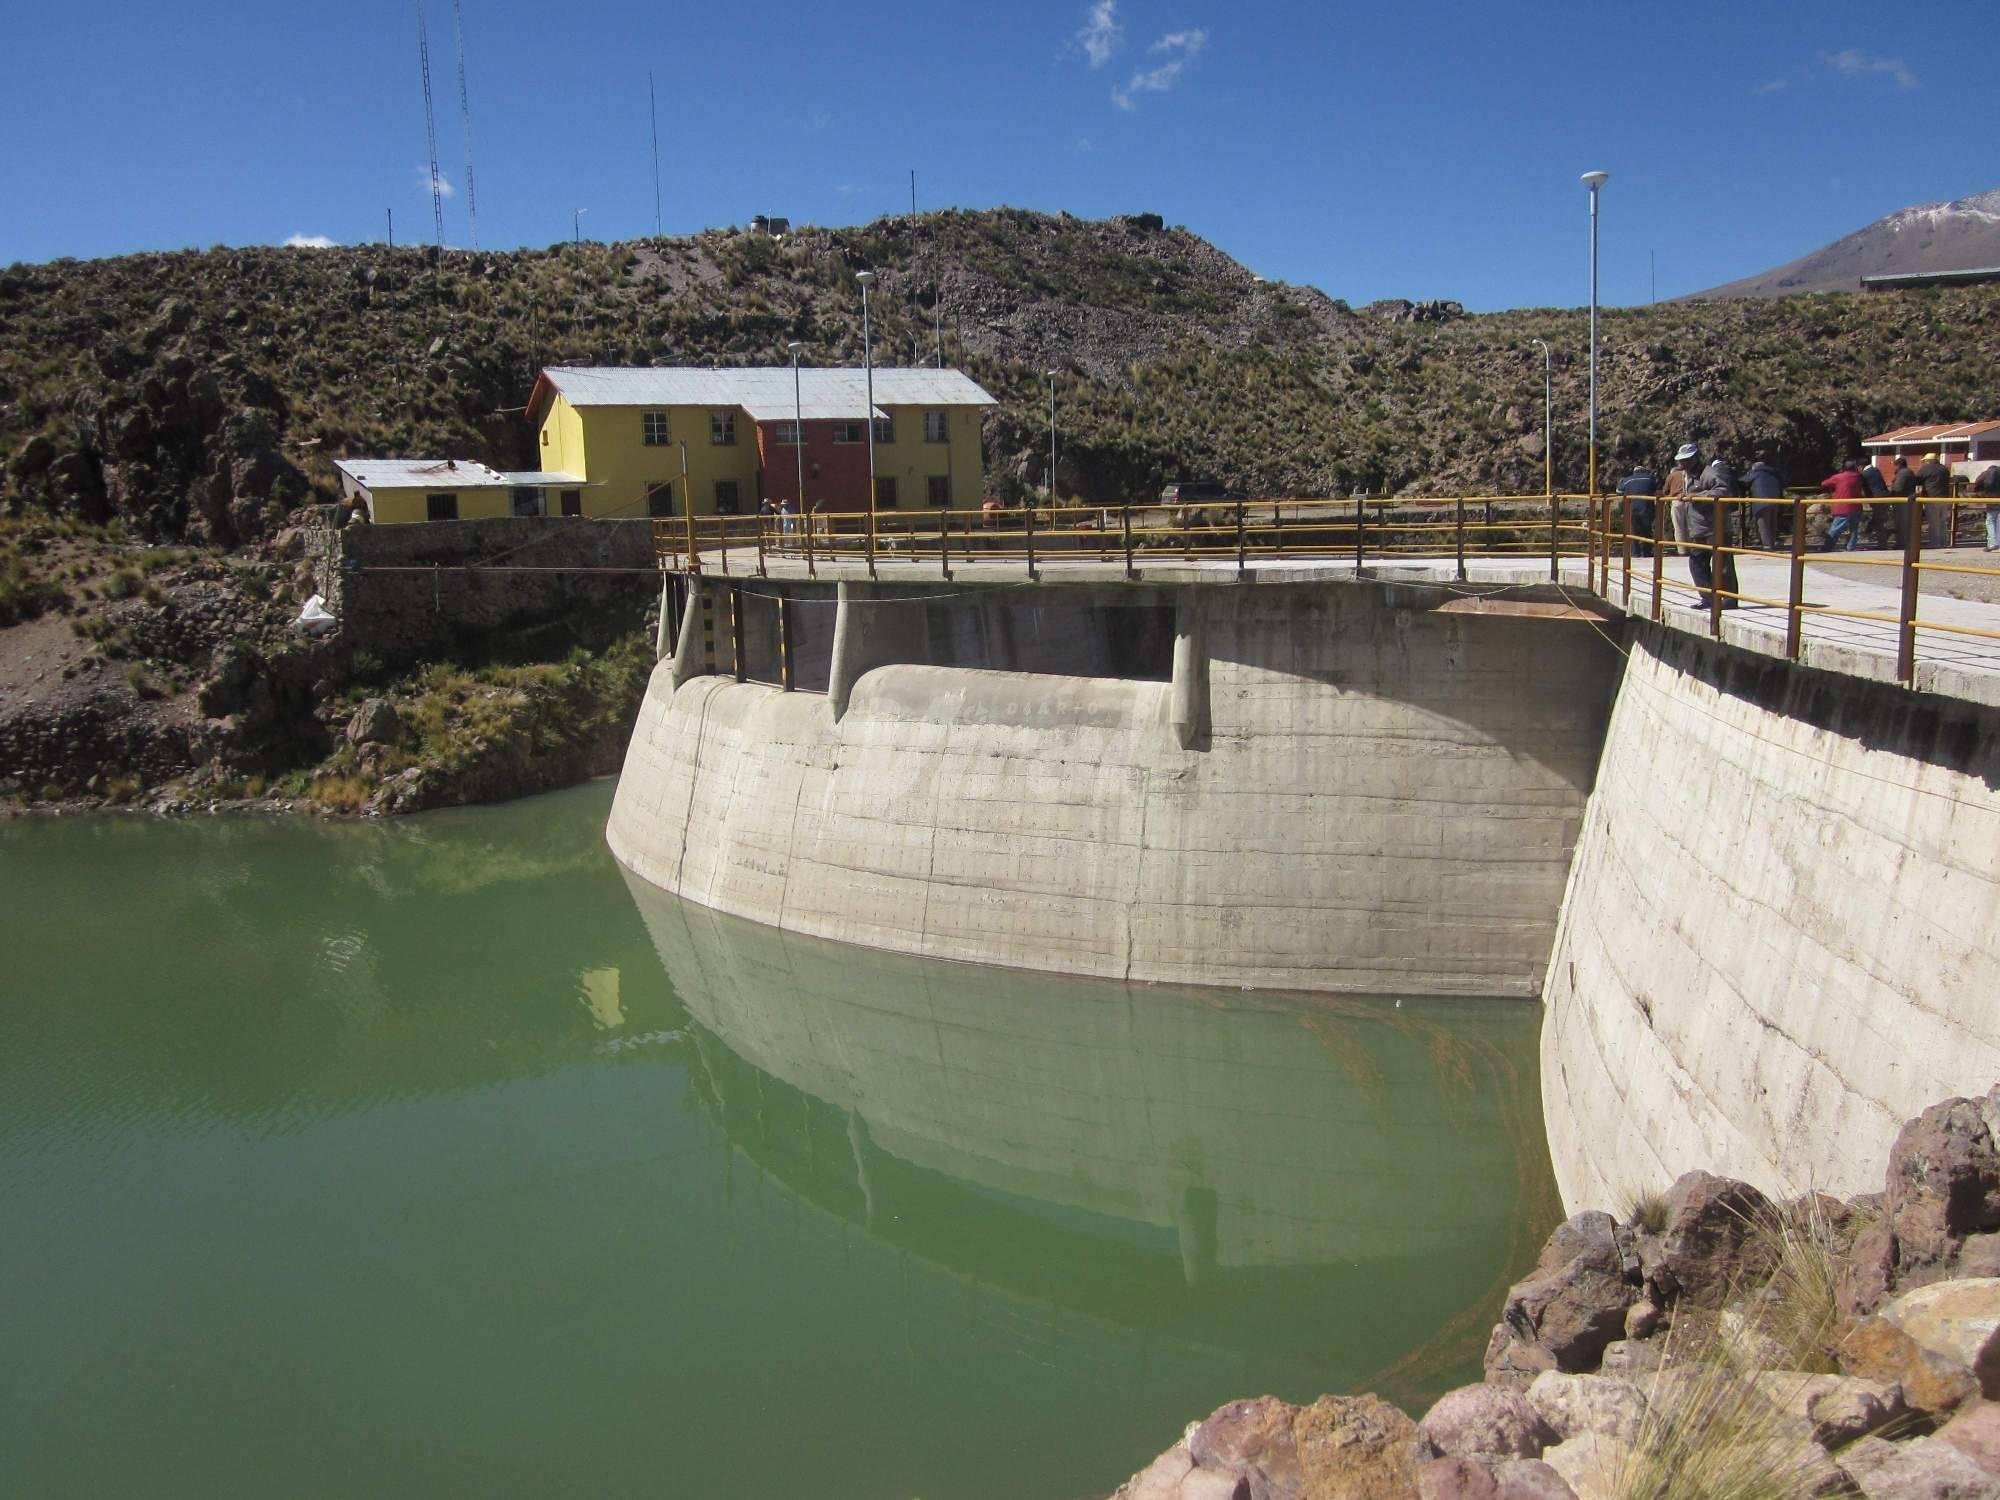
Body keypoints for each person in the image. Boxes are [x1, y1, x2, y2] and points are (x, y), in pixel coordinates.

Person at [1683, 448, 1739, 609]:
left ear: (1695, 459)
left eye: (1687, 460)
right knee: (1697, 563)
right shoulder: (1687, 475)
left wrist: (1698, 496)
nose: (1683, 464)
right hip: (1699, 527)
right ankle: (1709, 598)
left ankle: (1728, 600)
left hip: (1716, 526)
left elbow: (1723, 491)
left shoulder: (1709, 473)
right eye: (1681, 461)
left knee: (1723, 565)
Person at [1818, 462, 1866, 552]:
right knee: (1854, 528)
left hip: (1842, 506)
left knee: (1835, 528)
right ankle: (1851, 546)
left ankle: (1828, 547)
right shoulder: (1859, 477)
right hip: (1856, 506)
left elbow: (1824, 483)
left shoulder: (1838, 477)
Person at [1743, 454, 1786, 552]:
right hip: (1776, 501)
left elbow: (1743, 481)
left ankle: (1767, 546)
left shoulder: (1756, 473)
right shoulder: (1773, 473)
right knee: (1772, 522)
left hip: (1761, 502)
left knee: (1763, 524)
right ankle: (1772, 543)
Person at [1616, 462, 1659, 557]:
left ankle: (1635, 553)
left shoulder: (1627, 480)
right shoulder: (1650, 478)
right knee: (1647, 530)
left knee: (1633, 531)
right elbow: (1655, 489)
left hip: (1632, 508)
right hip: (1647, 507)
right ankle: (1647, 552)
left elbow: (1618, 491)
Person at [1665, 442, 1701, 554]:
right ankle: (1693, 547)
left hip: (1677, 500)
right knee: (1691, 525)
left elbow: (1665, 490)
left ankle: (1682, 550)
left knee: (1679, 527)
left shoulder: (1672, 475)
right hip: (1690, 500)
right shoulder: (1689, 474)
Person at [1916, 452, 1953, 546]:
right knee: (1943, 521)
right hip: (1945, 498)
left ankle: (1935, 543)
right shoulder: (1944, 469)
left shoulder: (1926, 469)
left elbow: (1917, 479)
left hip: (1932, 497)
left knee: (1934, 521)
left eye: (1925, 461)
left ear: (1928, 460)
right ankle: (1944, 542)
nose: (1924, 463)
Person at [1858, 457, 1892, 546]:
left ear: (1861, 466)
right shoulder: (1875, 470)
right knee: (1879, 520)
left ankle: (1883, 543)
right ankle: (1882, 539)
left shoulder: (1866, 474)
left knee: (1878, 522)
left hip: (1877, 499)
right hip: (1884, 498)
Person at [1889, 456, 1919, 551]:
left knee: (1901, 523)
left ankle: (1902, 543)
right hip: (1907, 499)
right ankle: (1904, 542)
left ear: (1898, 465)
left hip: (1902, 500)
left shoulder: (1902, 474)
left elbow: (1898, 488)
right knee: (1905, 522)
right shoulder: (1908, 472)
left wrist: (1892, 493)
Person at [1976, 464, 2000, 552]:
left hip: (1991, 500)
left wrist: (1981, 494)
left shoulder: (1986, 473)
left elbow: (1977, 483)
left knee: (1991, 521)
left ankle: (1992, 543)